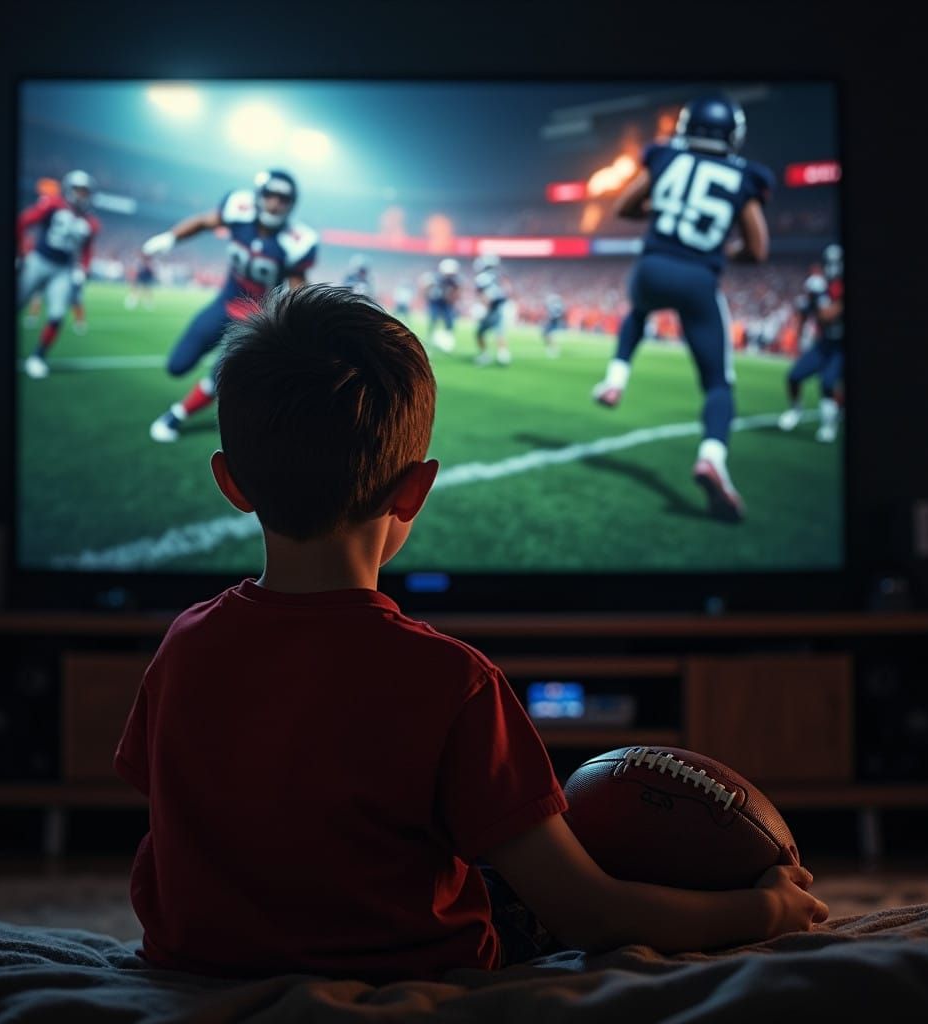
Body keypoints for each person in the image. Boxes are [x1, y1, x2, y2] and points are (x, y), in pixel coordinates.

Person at [114, 283, 827, 984]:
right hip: (413, 972)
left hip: (203, 965)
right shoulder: (451, 681)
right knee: (589, 855)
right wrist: (761, 911)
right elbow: (589, 912)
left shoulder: (185, 645)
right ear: (415, 489)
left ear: (230, 483)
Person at [591, 95, 774, 522]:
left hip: (652, 268)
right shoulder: (745, 175)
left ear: (687, 126)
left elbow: (624, 206)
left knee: (638, 311)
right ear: (734, 133)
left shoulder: (665, 155)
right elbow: (759, 248)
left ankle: (615, 378)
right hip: (697, 277)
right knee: (718, 384)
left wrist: (663, 209)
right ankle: (712, 456)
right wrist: (725, 252)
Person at [141, 168, 317, 442]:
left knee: (221, 376)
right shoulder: (239, 208)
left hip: (256, 317)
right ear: (260, 195)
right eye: (271, 195)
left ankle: (176, 415)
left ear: (292, 204)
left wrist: (300, 323)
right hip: (225, 302)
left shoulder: (297, 241)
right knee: (177, 365)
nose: (275, 203)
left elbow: (298, 285)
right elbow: (203, 221)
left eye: (283, 199)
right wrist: (172, 237)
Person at [16, 170, 100, 378]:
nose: (81, 195)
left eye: (85, 191)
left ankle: (38, 356)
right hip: (38, 260)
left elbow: (87, 251)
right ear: (69, 189)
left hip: (63, 269)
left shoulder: (91, 223)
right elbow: (24, 221)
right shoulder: (53, 205)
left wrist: (84, 269)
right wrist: (20, 253)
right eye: (78, 190)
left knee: (57, 314)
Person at [777, 244, 844, 443]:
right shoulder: (820, 286)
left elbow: (828, 315)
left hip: (841, 346)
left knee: (828, 383)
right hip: (824, 343)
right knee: (794, 376)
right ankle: (795, 411)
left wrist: (822, 297)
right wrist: (799, 338)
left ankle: (828, 425)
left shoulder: (829, 288)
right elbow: (805, 312)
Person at [472, 253, 513, 365]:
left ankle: (484, 355)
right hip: (501, 307)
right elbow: (508, 291)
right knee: (500, 332)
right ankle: (503, 355)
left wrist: (484, 308)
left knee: (479, 333)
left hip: (490, 308)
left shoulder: (481, 277)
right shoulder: (500, 276)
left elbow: (483, 295)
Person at [422, 257, 461, 352]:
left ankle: (448, 343)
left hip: (446, 303)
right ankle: (429, 342)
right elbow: (426, 288)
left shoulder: (454, 280)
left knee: (449, 322)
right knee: (433, 321)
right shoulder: (435, 277)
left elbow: (457, 291)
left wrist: (452, 299)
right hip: (435, 302)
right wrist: (428, 297)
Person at [541, 292, 566, 357]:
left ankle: (553, 349)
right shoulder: (558, 305)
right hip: (553, 322)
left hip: (554, 322)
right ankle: (552, 348)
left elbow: (557, 315)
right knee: (546, 335)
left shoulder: (557, 305)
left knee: (549, 336)